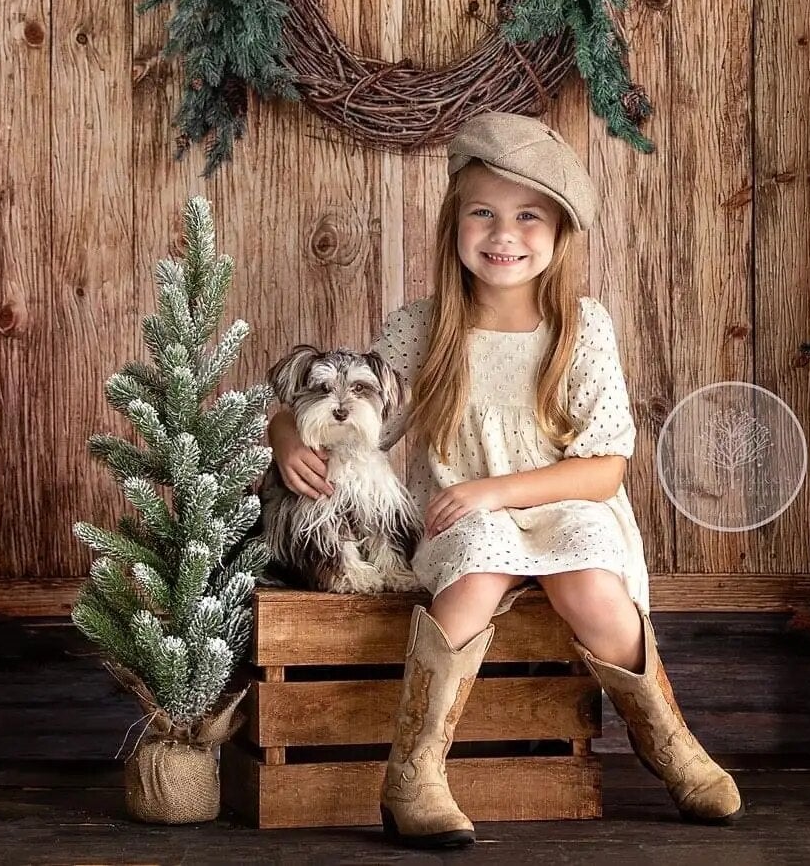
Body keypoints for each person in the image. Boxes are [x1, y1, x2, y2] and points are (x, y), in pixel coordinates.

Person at [269, 111, 740, 849]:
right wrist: (284, 431)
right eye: (482, 212)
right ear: (454, 221)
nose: (504, 234)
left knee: (591, 581)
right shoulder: (419, 329)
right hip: (463, 511)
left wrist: (496, 488)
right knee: (476, 568)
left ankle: (670, 743)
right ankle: (414, 771)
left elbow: (606, 464)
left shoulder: (582, 328)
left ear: (557, 234)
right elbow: (358, 419)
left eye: (528, 216)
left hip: (563, 502)